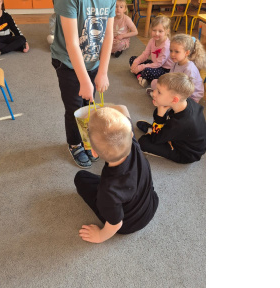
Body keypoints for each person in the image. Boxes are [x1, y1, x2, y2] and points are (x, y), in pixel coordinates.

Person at [51, 0, 143, 168]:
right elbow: (71, 43)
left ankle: (88, 140)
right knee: (75, 107)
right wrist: (84, 79)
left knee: (90, 104)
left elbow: (109, 32)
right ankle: (74, 143)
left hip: (93, 60)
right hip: (68, 63)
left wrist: (102, 71)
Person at [75, 106, 159, 243]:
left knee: (81, 178)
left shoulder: (108, 190)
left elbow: (115, 224)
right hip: (151, 202)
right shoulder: (133, 144)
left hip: (128, 223)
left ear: (94, 153)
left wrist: (100, 236)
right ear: (131, 133)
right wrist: (105, 111)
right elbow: (123, 108)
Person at [137, 73, 206, 164]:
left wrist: (160, 115)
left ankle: (155, 132)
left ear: (174, 100)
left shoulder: (179, 124)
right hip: (180, 135)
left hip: (186, 153)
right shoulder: (185, 102)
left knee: (143, 142)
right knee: (160, 111)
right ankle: (157, 131)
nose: (154, 93)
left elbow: (155, 139)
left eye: (159, 92)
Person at [146, 34, 206, 103]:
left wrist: (168, 90)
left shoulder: (189, 69)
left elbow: (187, 91)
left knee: (167, 95)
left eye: (176, 51)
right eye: (171, 51)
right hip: (177, 88)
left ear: (186, 53)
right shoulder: (175, 62)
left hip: (189, 97)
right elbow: (170, 77)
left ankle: (160, 97)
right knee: (155, 82)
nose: (172, 54)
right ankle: (160, 96)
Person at [128, 15, 173, 87]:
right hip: (154, 64)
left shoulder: (166, 46)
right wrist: (136, 62)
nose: (156, 33)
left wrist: (141, 67)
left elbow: (158, 64)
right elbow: (145, 54)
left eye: (160, 31)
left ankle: (140, 75)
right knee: (133, 59)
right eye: (154, 30)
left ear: (167, 31)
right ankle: (140, 77)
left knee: (147, 71)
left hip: (164, 69)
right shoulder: (152, 40)